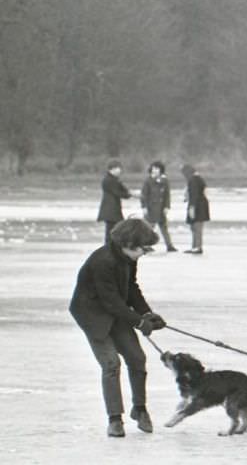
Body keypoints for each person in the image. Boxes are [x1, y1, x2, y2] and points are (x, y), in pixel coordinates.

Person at [69, 218, 167, 437]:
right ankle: (115, 419)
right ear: (130, 243)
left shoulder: (128, 258)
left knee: (137, 358)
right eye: (144, 248)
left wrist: (147, 313)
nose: (145, 253)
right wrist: (140, 322)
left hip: (117, 312)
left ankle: (140, 409)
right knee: (111, 364)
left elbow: (131, 288)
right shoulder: (102, 261)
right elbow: (110, 300)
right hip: (93, 316)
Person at [140, 160, 177, 252]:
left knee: (164, 228)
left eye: (157, 168)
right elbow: (143, 195)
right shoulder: (148, 181)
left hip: (161, 209)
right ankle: (145, 245)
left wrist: (167, 207)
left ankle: (169, 245)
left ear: (161, 170)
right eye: (154, 168)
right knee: (148, 228)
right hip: (151, 208)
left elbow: (167, 195)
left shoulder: (164, 180)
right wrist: (144, 207)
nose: (155, 170)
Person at [97, 159, 132, 244]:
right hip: (110, 210)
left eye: (119, 168)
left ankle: (111, 247)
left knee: (113, 229)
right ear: (111, 169)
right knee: (113, 229)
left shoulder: (114, 179)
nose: (119, 170)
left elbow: (123, 190)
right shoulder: (109, 180)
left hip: (112, 209)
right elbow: (119, 192)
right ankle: (110, 248)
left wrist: (128, 193)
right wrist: (128, 194)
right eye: (117, 168)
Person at [180, 164, 210, 254]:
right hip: (202, 206)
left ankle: (197, 247)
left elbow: (194, 195)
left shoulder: (193, 180)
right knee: (196, 227)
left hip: (197, 207)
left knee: (196, 227)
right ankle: (195, 246)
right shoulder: (198, 178)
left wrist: (192, 208)